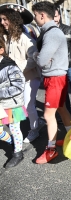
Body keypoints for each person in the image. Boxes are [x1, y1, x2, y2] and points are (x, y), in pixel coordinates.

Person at [32, 1, 71, 164]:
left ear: (42, 15)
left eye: (35, 15)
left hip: (54, 79)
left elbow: (41, 60)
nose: (34, 18)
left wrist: (34, 55)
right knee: (62, 109)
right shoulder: (51, 32)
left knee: (49, 116)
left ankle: (51, 150)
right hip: (57, 77)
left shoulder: (51, 33)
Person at [0, 7, 45, 143]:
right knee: (14, 106)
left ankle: (34, 130)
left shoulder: (25, 38)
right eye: (0, 19)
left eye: (5, 19)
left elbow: (34, 59)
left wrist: (16, 68)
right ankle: (34, 124)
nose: (2, 22)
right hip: (12, 80)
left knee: (28, 104)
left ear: (13, 20)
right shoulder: (4, 37)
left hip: (29, 78)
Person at [0, 38, 27, 168]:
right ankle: (14, 143)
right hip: (1, 105)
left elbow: (18, 86)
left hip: (12, 104)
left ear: (1, 50)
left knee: (14, 128)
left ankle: (18, 153)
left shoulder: (9, 66)